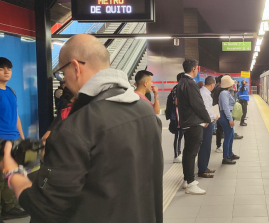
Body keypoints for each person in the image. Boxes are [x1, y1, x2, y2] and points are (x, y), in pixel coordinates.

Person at [2, 34, 164, 223]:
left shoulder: (79, 124)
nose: (65, 79)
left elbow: (45, 207)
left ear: (75, 67)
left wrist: (12, 173)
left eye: (63, 72)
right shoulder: (145, 110)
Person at [0, 57, 29, 221]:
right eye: (2, 68)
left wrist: (22, 137)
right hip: (0, 139)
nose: (6, 71)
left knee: (9, 175)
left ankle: (9, 207)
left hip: (14, 139)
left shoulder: (11, 91)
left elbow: (16, 117)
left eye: (9, 69)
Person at [177, 59, 211, 195]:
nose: (197, 70)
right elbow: (198, 104)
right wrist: (207, 118)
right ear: (194, 69)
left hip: (187, 122)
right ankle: (191, 183)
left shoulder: (181, 82)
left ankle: (187, 179)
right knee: (191, 153)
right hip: (194, 123)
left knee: (187, 152)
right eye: (197, 68)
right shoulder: (190, 84)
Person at [197, 76, 218, 178]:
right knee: (205, 146)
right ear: (212, 84)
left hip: (207, 122)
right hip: (206, 123)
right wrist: (215, 116)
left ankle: (204, 167)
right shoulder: (204, 94)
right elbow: (206, 110)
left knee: (206, 146)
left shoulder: (204, 92)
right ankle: (202, 170)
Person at [218, 75, 240, 165]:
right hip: (225, 116)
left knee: (231, 136)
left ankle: (230, 153)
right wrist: (230, 119)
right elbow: (226, 107)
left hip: (227, 116)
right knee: (228, 137)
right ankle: (225, 157)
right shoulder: (223, 94)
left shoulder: (227, 92)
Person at [165, 72, 185, 163]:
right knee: (178, 135)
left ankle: (179, 153)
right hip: (177, 114)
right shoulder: (178, 88)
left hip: (180, 114)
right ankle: (177, 154)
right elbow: (177, 102)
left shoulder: (178, 88)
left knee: (180, 134)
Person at [212, 75, 224, 153]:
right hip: (218, 110)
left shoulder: (216, 88)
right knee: (219, 129)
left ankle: (218, 145)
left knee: (219, 128)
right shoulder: (220, 89)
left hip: (216, 109)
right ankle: (219, 146)